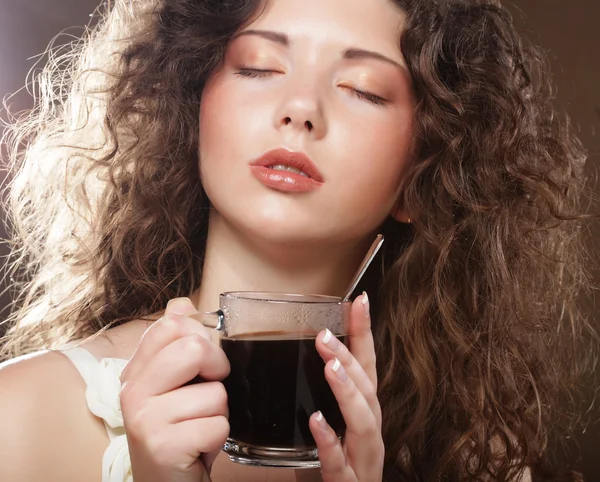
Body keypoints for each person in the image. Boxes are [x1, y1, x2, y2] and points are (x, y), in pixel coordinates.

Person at [0, 0, 596, 480]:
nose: (300, 110)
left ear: (423, 174)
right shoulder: (20, 418)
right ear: (189, 106)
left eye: (363, 88)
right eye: (259, 66)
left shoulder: (478, 461)